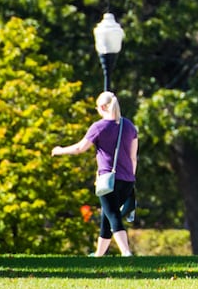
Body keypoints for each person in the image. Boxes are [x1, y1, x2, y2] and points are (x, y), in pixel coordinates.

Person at [51, 92, 138, 257]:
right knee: (107, 215)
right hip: (127, 180)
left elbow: (79, 149)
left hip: (108, 180)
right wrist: (131, 178)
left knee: (113, 215)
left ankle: (126, 252)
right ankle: (98, 254)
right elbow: (134, 157)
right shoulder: (129, 126)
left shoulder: (99, 127)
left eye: (97, 107)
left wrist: (60, 150)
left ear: (103, 107)